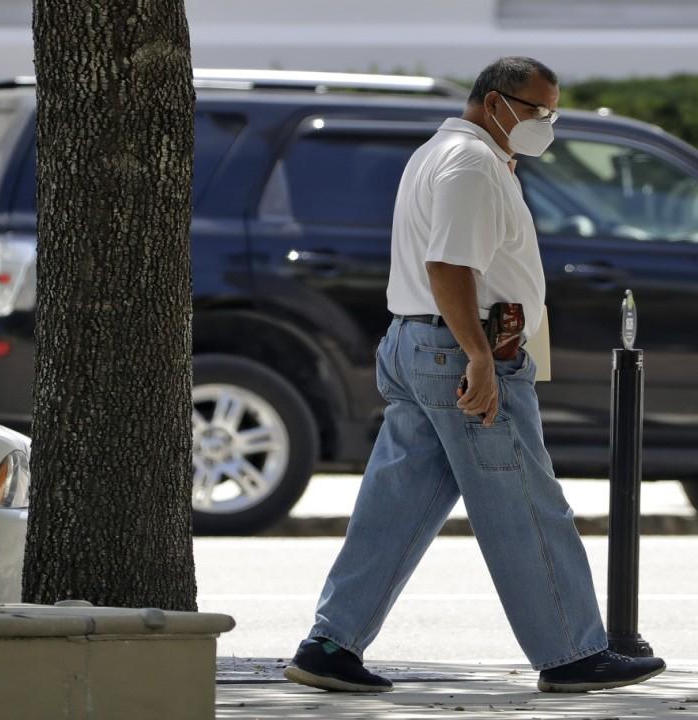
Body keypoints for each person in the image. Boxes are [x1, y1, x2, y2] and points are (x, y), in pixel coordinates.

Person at [284, 56, 666, 694]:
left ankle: (329, 645)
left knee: (395, 507)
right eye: (538, 110)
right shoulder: (470, 164)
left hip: (420, 345)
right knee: (526, 503)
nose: (547, 122)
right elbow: (449, 269)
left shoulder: (441, 153)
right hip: (460, 352)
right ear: (496, 102)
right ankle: (572, 655)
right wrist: (481, 359)